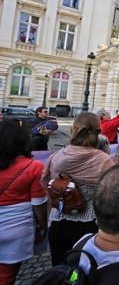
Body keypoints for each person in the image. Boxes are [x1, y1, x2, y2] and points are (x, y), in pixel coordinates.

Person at [41, 112, 114, 266]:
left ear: (72, 130)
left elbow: (48, 187)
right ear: (98, 131)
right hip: (88, 227)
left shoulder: (56, 156)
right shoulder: (102, 160)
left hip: (58, 222)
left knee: (60, 271)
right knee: (83, 274)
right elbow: (114, 192)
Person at [0, 119, 47, 285]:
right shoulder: (34, 167)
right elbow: (39, 203)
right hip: (15, 229)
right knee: (5, 278)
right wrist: (43, 227)